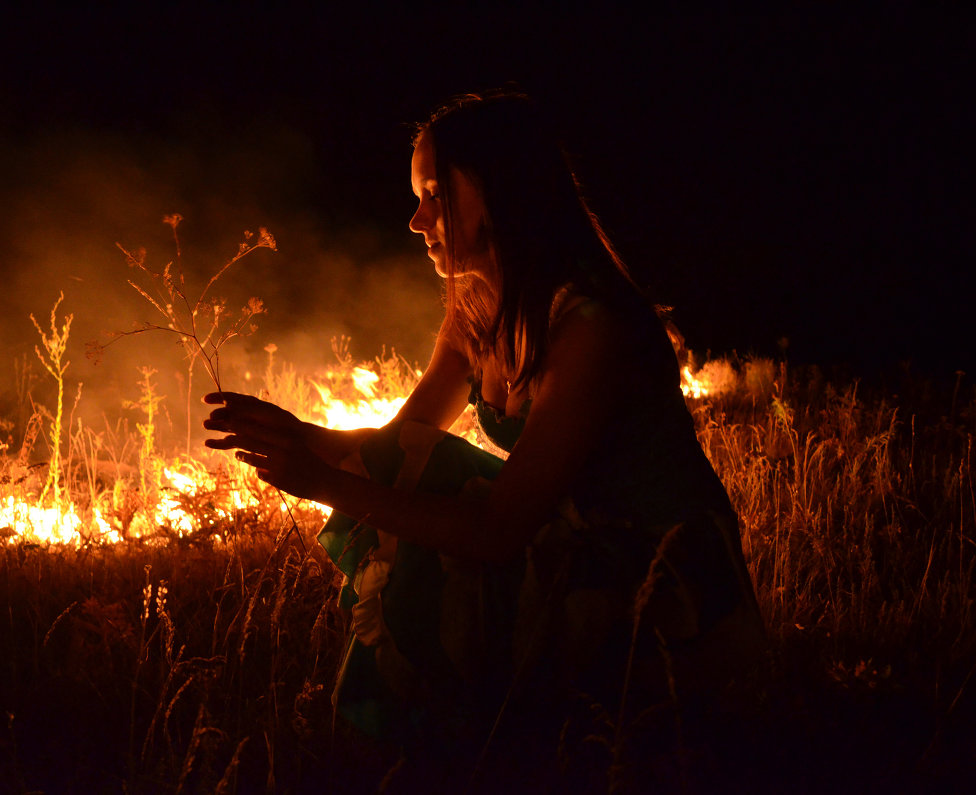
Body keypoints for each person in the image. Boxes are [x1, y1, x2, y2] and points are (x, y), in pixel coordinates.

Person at [203, 90, 763, 770]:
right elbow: (400, 441)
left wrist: (321, 481)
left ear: (500, 186)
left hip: (658, 570)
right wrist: (297, 433)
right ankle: (431, 729)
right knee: (418, 468)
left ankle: (437, 739)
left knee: (438, 509)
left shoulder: (590, 326)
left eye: (435, 194)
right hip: (570, 533)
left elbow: (499, 532)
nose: (417, 220)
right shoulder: (478, 306)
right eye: (419, 196)